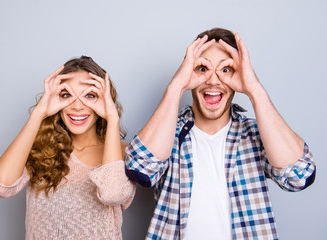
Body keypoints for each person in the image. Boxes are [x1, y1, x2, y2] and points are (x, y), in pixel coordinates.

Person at [124, 28, 316, 239]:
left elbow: (299, 175)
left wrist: (254, 89)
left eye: (226, 69)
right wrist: (176, 86)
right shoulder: (170, 132)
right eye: (202, 68)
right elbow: (140, 168)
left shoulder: (255, 134)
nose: (213, 81)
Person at [0, 56, 136, 239]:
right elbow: (0, 186)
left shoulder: (124, 151)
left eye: (90, 95)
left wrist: (112, 118)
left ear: (105, 100)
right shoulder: (42, 149)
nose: (77, 106)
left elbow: (113, 194)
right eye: (67, 95)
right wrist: (39, 113)